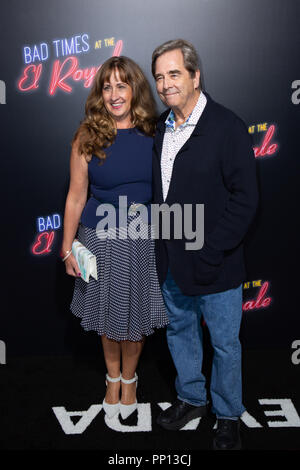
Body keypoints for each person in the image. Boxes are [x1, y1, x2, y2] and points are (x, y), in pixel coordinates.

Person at [151, 39, 259, 450]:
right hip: (173, 264)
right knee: (180, 331)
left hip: (217, 263)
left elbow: (246, 199)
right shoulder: (162, 126)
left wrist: (212, 249)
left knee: (225, 344)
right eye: (160, 77)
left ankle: (228, 413)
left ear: (196, 77)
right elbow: (162, 195)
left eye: (174, 74)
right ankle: (191, 398)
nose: (165, 84)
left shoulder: (227, 126)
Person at [61, 56, 169, 421]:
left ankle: (130, 379)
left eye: (121, 85)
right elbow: (76, 196)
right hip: (98, 238)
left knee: (134, 318)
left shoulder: (157, 133)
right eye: (107, 87)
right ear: (99, 94)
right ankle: (111, 379)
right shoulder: (86, 136)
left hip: (141, 238)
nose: (114, 94)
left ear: (135, 89)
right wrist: (66, 248)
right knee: (108, 319)